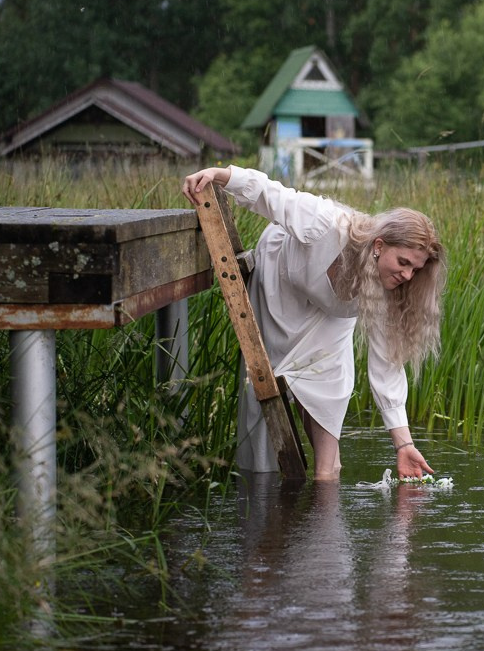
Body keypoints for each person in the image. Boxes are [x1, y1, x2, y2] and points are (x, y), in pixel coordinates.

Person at [183, 165, 446, 481]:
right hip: (281, 285)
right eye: (403, 262)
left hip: (331, 320)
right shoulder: (325, 224)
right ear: (378, 246)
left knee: (331, 386)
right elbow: (272, 195)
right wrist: (218, 174)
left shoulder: (391, 287)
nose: (407, 275)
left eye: (415, 270)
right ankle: (265, 489)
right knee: (266, 383)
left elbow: (388, 365)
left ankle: (325, 491)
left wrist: (403, 445)